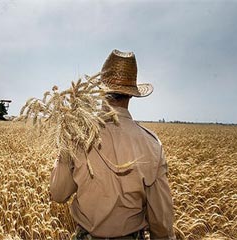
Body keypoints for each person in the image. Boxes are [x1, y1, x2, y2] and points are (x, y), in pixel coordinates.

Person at [50, 50, 176, 240]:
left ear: (100, 91)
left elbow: (58, 194)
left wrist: (65, 146)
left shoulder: (76, 136)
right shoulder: (152, 145)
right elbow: (161, 222)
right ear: (131, 95)